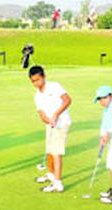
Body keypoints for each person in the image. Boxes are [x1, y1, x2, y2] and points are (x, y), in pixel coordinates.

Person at [29, 65, 72, 193]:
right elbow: (42, 115)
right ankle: (51, 174)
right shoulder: (37, 96)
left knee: (56, 152)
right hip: (51, 124)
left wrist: (56, 114)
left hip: (62, 122)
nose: (36, 83)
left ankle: (58, 183)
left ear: (43, 77)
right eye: (33, 81)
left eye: (38, 80)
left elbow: (67, 100)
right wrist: (48, 120)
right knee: (49, 151)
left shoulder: (54, 86)